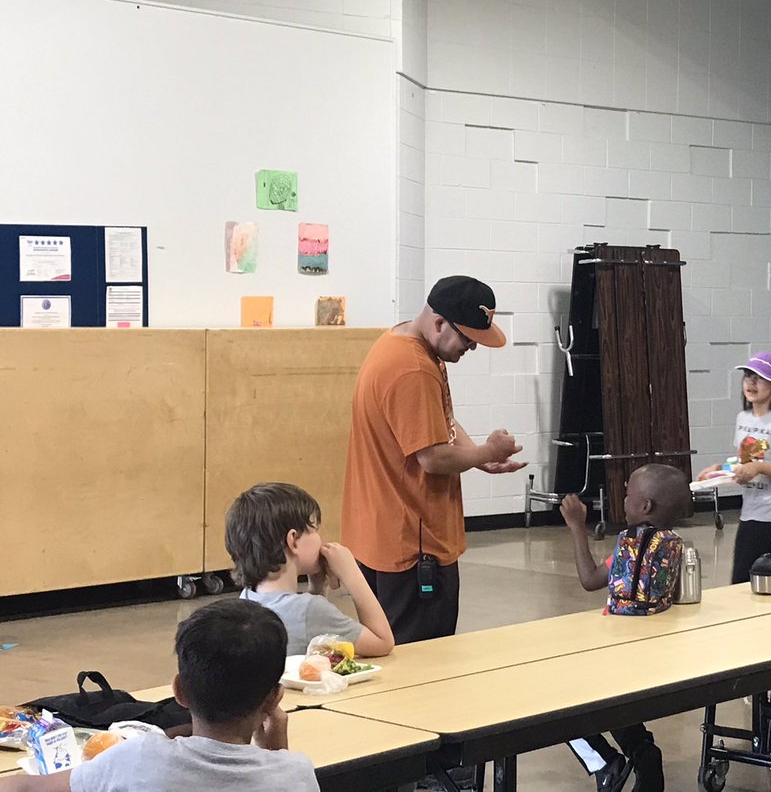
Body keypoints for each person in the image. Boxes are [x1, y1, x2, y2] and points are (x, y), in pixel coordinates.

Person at [341, 276, 526, 645]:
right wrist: (487, 451)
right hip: (412, 545)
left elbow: (437, 418)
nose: (471, 349)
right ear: (440, 323)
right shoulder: (414, 369)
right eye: (468, 340)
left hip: (382, 534)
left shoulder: (401, 342)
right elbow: (432, 457)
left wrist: (476, 458)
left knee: (389, 647)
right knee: (423, 658)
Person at [0, 599, 319, 792]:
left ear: (179, 691)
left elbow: (27, 787)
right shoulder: (296, 774)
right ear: (275, 698)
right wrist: (279, 752)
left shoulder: (139, 759)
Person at [560, 464, 691, 792]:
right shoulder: (673, 546)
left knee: (556, 704)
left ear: (645, 506)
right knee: (614, 707)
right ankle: (644, 755)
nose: (623, 499)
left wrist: (576, 525)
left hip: (617, 649)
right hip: (650, 653)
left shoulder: (629, 545)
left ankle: (604, 762)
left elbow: (590, 579)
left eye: (629, 495)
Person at [226, 482, 393, 657]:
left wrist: (317, 587)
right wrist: (352, 574)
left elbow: (308, 631)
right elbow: (382, 642)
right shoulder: (310, 609)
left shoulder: (247, 598)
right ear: (293, 541)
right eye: (314, 529)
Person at [696, 352, 771, 584]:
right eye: (748, 376)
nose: (751, 383)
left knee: (741, 579)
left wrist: (760, 467)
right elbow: (746, 462)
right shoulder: (742, 418)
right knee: (746, 577)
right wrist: (719, 468)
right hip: (751, 508)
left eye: (760, 378)